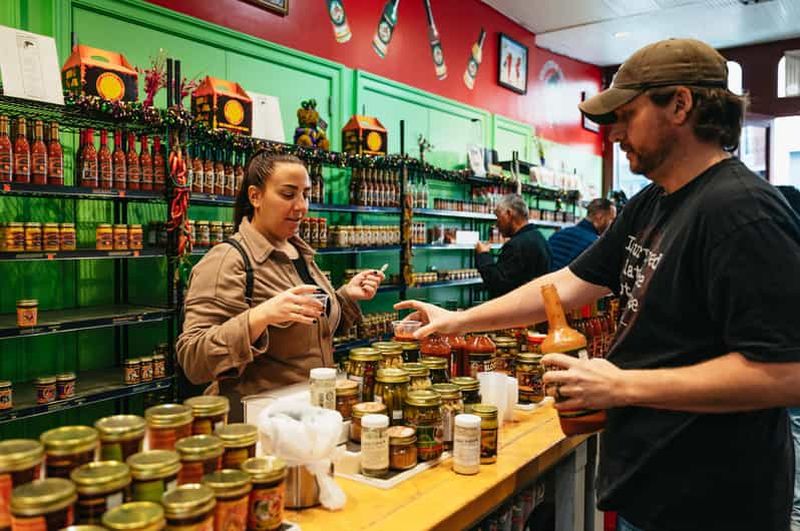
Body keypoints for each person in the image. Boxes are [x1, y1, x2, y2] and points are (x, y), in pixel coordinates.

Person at [397, 38, 800, 531]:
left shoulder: (740, 211)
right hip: (652, 488)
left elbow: (788, 372)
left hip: (714, 504)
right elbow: (564, 284)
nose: (613, 135)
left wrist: (622, 383)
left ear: (680, 104)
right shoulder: (654, 202)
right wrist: (458, 319)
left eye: (627, 115)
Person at [177, 152, 384, 421]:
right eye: (288, 195)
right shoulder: (227, 261)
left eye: (305, 195)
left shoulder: (300, 254)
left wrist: (344, 297)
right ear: (255, 196)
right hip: (259, 425)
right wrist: (260, 316)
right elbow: (193, 358)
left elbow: (309, 330)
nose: (301, 207)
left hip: (310, 417)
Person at [474, 194, 550, 298]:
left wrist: (483, 255)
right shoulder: (539, 237)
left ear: (509, 214)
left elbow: (497, 285)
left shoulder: (516, 246)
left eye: (498, 218)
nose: (496, 224)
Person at [548, 198, 617, 271]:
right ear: (599, 217)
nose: (613, 224)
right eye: (612, 219)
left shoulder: (558, 234)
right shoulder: (596, 245)